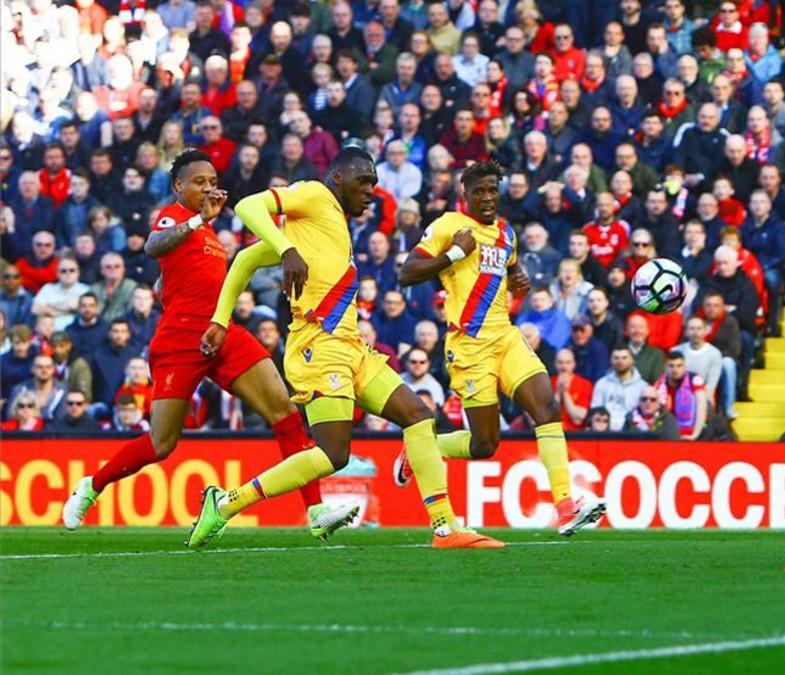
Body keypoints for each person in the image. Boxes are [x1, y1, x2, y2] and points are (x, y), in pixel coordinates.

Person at [187, 148, 500, 549]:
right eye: (363, 181)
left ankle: (444, 528)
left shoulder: (324, 227)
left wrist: (221, 318)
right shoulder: (316, 196)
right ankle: (227, 502)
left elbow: (246, 259)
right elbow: (249, 205)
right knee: (334, 454)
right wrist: (284, 251)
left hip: (353, 348)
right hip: (317, 346)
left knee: (419, 416)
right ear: (338, 178)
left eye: (374, 182)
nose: (371, 190)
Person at [62, 150, 360, 542]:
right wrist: (197, 222)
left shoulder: (210, 233)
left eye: (212, 180)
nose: (207, 187)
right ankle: (92, 486)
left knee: (284, 411)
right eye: (198, 181)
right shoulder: (175, 217)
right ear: (178, 186)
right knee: (162, 443)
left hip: (222, 332)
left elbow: (185, 276)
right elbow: (153, 246)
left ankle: (316, 509)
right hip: (180, 340)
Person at [398, 160, 606, 537]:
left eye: (493, 189)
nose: (488, 197)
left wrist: (516, 277)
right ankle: (425, 447)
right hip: (468, 347)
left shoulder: (507, 233)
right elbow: (407, 272)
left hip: (506, 337)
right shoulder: (448, 226)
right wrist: (453, 256)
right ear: (465, 195)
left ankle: (565, 505)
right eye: (479, 191)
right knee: (484, 445)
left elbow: (505, 268)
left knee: (546, 405)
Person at [656, 351, 707, 441]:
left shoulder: (694, 379)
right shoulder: (660, 383)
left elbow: (701, 406)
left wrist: (695, 434)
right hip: (669, 433)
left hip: (693, 431)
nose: (675, 370)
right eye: (671, 366)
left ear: (685, 367)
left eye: (679, 366)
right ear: (665, 367)